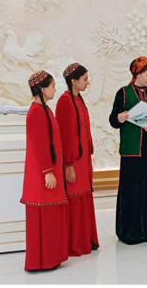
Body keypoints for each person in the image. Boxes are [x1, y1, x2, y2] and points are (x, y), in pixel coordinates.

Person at [108, 56, 147, 244]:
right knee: (132, 192)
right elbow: (113, 120)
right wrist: (120, 118)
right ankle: (131, 232)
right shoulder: (123, 93)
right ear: (137, 74)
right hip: (132, 152)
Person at [20, 70, 69, 271]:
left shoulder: (44, 110)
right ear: (42, 89)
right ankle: (43, 260)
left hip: (48, 171)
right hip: (43, 174)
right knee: (45, 217)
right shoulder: (37, 112)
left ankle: (51, 257)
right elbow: (41, 145)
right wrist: (47, 171)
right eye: (52, 86)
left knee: (51, 217)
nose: (55, 90)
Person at [56, 63, 100, 256]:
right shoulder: (65, 101)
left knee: (84, 195)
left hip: (83, 160)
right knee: (75, 197)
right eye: (85, 79)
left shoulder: (78, 99)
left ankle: (86, 239)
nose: (88, 82)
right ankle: (76, 243)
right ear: (73, 81)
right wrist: (68, 164)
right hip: (74, 161)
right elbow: (65, 136)